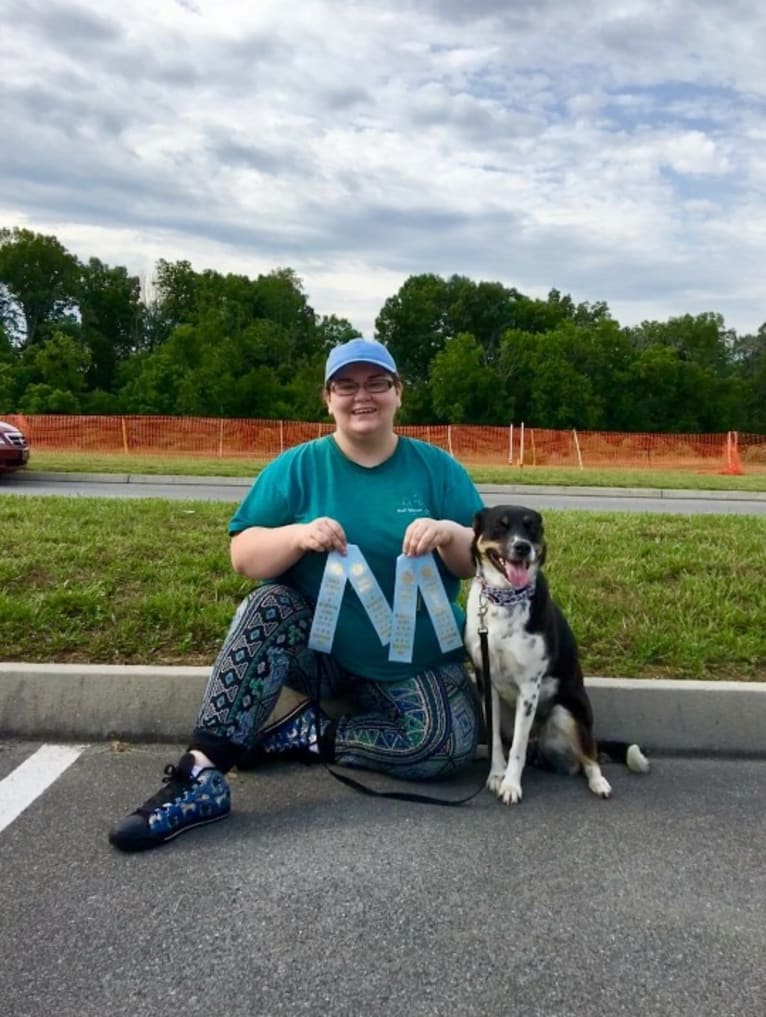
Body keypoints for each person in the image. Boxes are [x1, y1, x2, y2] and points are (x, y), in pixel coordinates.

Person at [109, 337, 485, 852]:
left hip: (410, 659)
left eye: (377, 383)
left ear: (398, 393)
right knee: (268, 606)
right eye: (346, 386)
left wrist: (447, 531)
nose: (362, 397)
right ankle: (201, 774)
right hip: (321, 654)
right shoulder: (298, 467)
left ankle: (311, 734)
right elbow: (244, 554)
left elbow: (478, 560)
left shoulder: (437, 468)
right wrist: (295, 536)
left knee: (448, 745)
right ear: (327, 398)